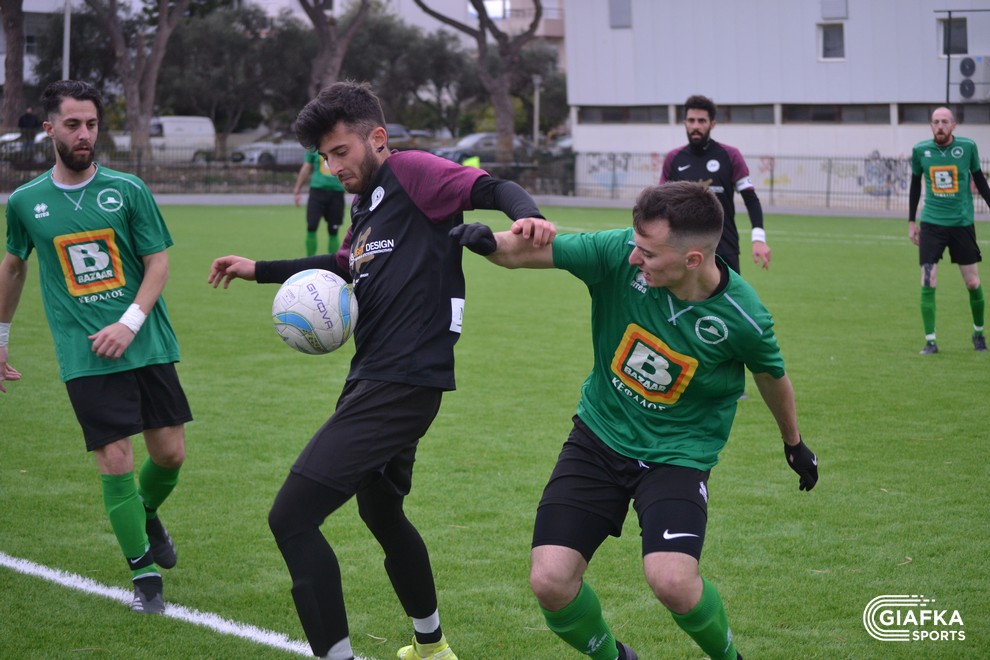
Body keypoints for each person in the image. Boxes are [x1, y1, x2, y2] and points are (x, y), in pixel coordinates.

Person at [207, 81, 553, 660]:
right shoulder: (365, 207)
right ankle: (431, 646)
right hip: (378, 377)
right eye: (324, 157)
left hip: (401, 381)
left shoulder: (413, 172)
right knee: (381, 511)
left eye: (340, 151)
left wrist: (530, 217)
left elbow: (493, 187)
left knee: (291, 518)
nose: (332, 166)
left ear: (377, 138)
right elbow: (343, 264)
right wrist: (259, 269)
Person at [451, 181, 819, 660]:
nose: (633, 257)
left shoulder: (742, 317)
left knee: (672, 581)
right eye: (636, 243)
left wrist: (793, 442)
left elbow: (771, 377)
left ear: (692, 259)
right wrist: (489, 242)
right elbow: (527, 251)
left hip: (678, 454)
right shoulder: (617, 251)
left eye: (648, 252)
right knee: (550, 581)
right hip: (599, 436)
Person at [0, 80, 190, 615]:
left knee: (170, 455)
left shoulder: (128, 190)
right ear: (49, 129)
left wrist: (129, 322)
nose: (84, 134)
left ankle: (145, 512)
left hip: (146, 340)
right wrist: (1, 339)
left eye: (91, 124)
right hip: (84, 353)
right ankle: (145, 578)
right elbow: (13, 268)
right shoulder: (26, 202)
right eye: (72, 125)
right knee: (115, 458)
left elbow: (157, 264)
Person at [908, 106, 990, 354]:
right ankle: (930, 341)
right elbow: (915, 186)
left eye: (945, 121)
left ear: (953, 125)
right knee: (928, 279)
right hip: (932, 224)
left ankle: (978, 334)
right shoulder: (920, 151)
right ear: (931, 126)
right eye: (936, 122)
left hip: (961, 223)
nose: (940, 126)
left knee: (972, 282)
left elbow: (980, 181)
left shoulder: (967, 147)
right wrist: (911, 221)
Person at [660, 95, 770, 274]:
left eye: (702, 121)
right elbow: (661, 204)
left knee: (728, 293)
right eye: (691, 120)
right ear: (685, 123)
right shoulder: (673, 159)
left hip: (724, 248)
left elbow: (750, 199)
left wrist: (759, 238)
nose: (696, 126)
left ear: (712, 124)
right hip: (683, 250)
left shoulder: (730, 156)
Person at [293, 148, 347, 256]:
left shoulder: (340, 144)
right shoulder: (314, 146)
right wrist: (297, 189)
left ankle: (334, 263)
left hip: (336, 193)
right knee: (312, 226)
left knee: (333, 230)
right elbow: (306, 167)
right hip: (317, 192)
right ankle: (310, 261)